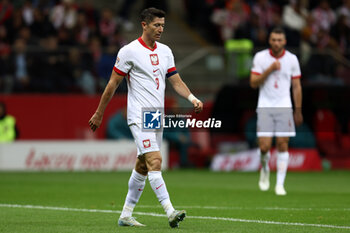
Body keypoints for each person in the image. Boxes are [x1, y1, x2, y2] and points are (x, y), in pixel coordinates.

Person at [88, 8, 203, 227]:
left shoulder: (166, 51)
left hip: (155, 116)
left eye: (162, 25)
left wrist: (192, 97)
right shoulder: (129, 51)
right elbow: (113, 84)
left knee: (143, 165)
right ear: (144, 25)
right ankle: (170, 211)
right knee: (155, 160)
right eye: (156, 25)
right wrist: (99, 112)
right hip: (138, 115)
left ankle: (125, 214)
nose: (160, 29)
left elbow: (176, 80)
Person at [250, 27, 303, 196]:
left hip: (284, 106)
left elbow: (296, 86)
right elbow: (253, 82)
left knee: (282, 143)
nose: (277, 43)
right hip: (265, 105)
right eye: (274, 39)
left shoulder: (292, 59)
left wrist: (298, 110)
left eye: (280, 40)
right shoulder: (260, 57)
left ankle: (280, 184)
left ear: (285, 41)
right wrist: (270, 69)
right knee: (264, 146)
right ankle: (265, 168)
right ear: (269, 41)